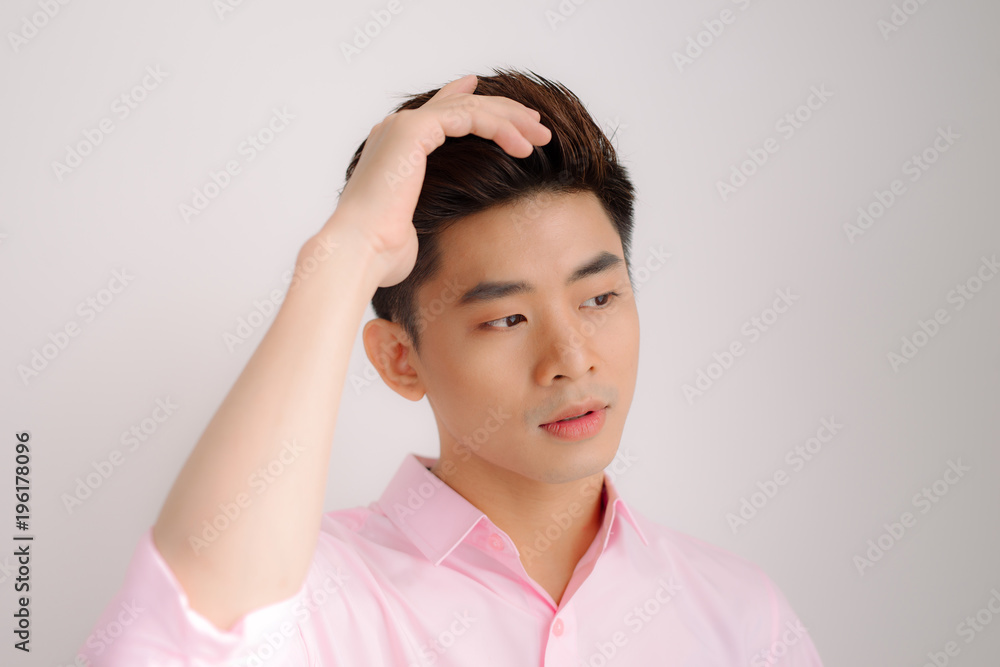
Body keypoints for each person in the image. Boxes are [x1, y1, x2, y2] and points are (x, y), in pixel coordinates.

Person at [77, 67, 824, 665]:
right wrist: (346, 253)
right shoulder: (315, 596)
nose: (571, 358)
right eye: (506, 317)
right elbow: (179, 638)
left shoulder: (738, 616)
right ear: (401, 360)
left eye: (599, 297)